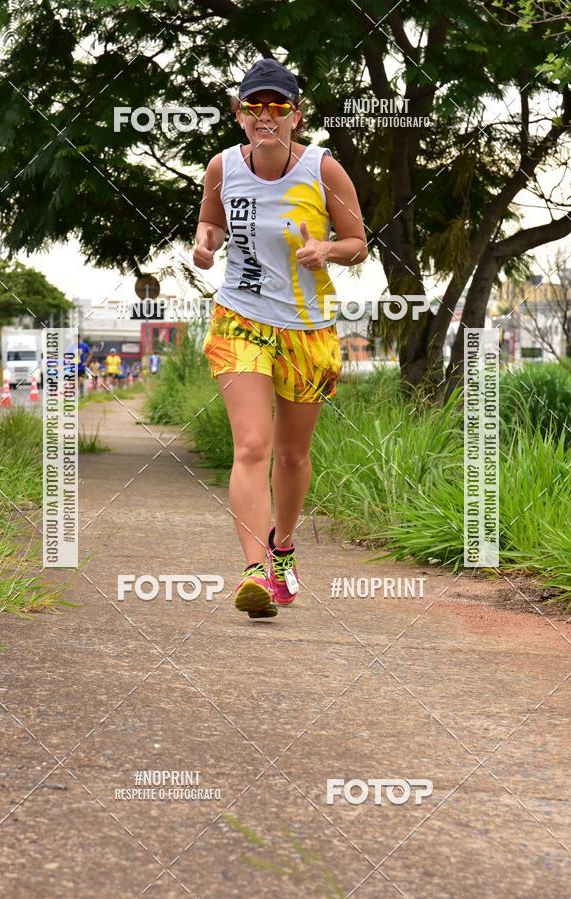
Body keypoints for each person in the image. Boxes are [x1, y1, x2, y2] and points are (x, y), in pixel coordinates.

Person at [193, 59, 366, 619]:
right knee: (251, 446)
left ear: (297, 114)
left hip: (308, 325)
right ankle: (254, 573)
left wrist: (327, 251)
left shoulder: (323, 169)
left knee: (291, 455)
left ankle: (283, 548)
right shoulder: (221, 167)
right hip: (240, 317)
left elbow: (358, 241)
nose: (266, 116)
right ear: (240, 113)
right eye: (254, 106)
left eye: (278, 106)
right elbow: (211, 224)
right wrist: (205, 244)